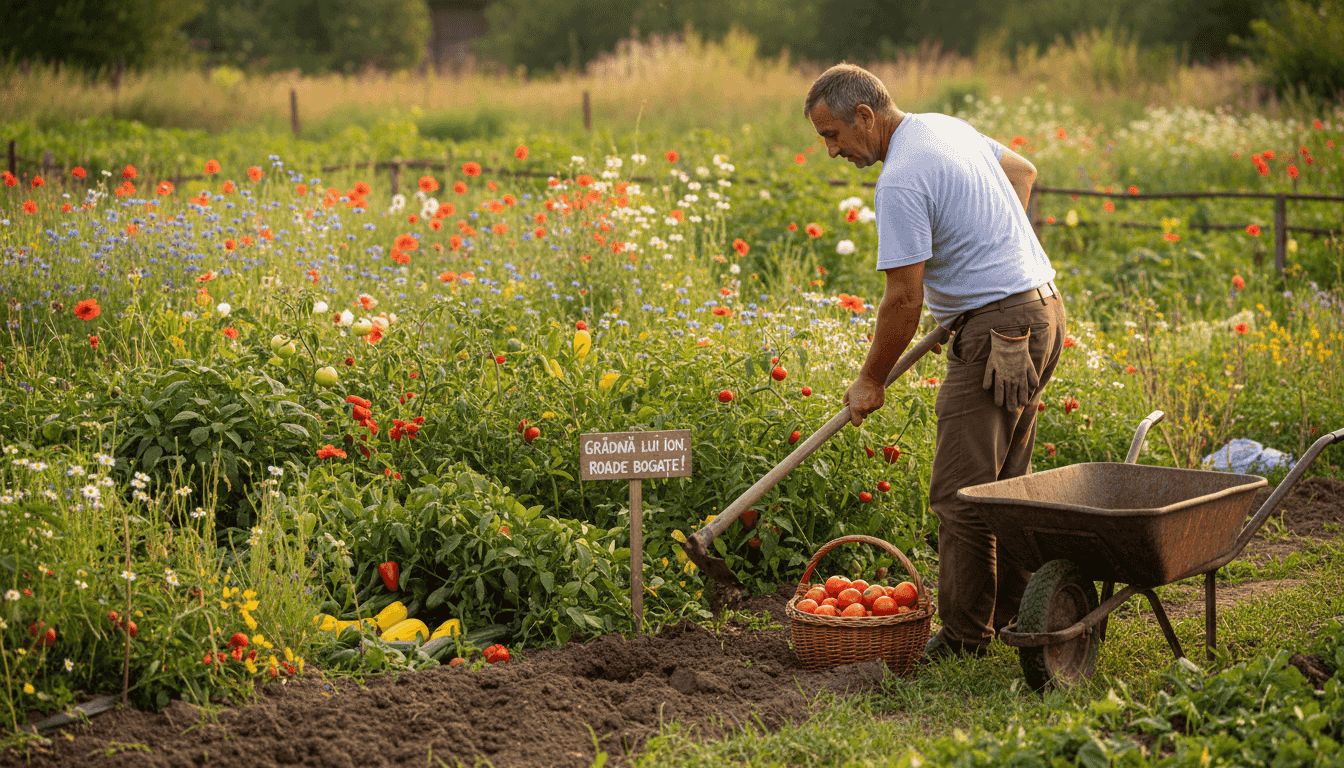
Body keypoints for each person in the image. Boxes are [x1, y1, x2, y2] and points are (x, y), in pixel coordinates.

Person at [804, 63, 1066, 661]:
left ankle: (966, 640)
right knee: (1006, 487)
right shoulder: (944, 127)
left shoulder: (899, 180)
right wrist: (994, 257)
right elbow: (1022, 171)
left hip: (1001, 330)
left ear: (865, 117)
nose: (830, 150)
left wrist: (871, 380)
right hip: (1041, 311)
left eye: (833, 135)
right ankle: (1018, 615)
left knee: (963, 495)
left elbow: (903, 297)